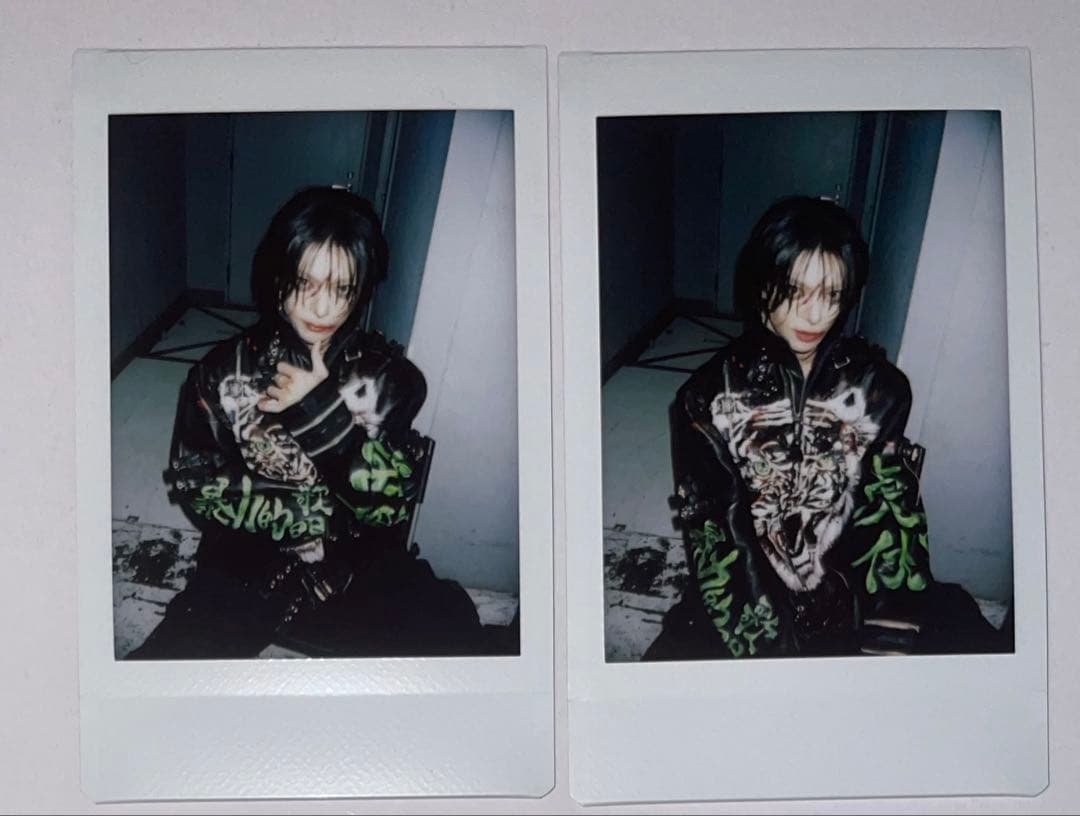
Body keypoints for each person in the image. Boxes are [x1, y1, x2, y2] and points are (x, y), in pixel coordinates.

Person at [129, 186, 502, 659]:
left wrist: (319, 408)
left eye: (342, 288)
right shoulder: (222, 374)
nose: (323, 308)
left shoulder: (382, 377)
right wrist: (296, 526)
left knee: (457, 639)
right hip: (249, 559)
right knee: (173, 664)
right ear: (277, 277)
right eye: (305, 283)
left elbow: (385, 506)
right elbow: (201, 488)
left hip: (355, 560)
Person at [643, 196, 1008, 660]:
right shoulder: (705, 399)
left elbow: (887, 514)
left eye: (831, 295)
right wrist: (774, 657)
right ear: (761, 286)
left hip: (848, 591)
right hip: (748, 592)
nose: (815, 315)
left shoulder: (879, 388)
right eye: (795, 292)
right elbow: (722, 536)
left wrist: (888, 631)